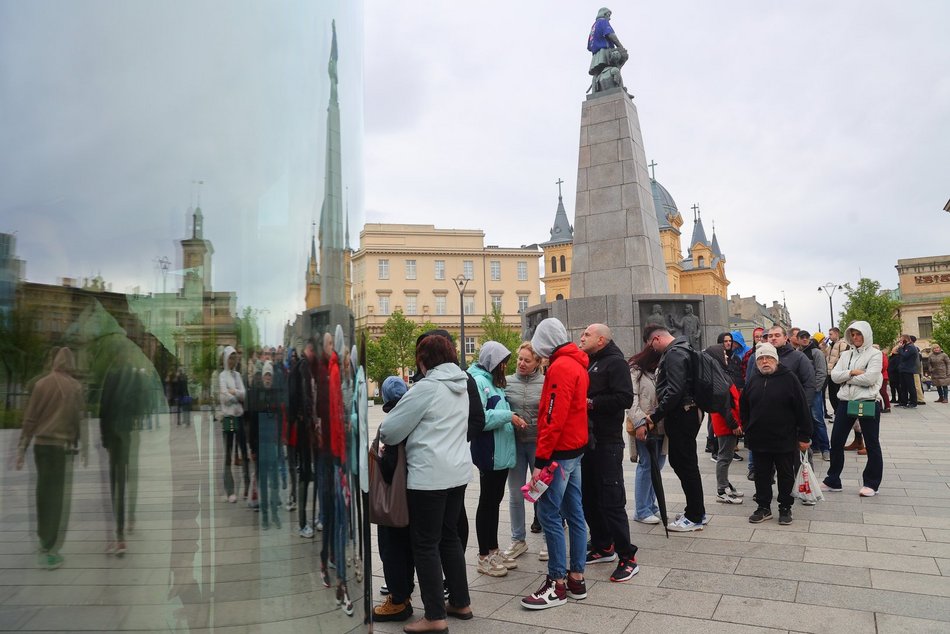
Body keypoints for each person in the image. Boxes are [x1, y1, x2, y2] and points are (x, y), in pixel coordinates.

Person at [380, 335, 473, 632]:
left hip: (429, 477)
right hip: (457, 474)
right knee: (449, 538)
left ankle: (434, 616)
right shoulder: (462, 385)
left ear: (423, 360)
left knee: (425, 544)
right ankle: (460, 601)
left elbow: (390, 430)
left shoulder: (427, 388)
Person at [521, 318, 589, 610]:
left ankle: (556, 583)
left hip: (560, 453)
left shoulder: (560, 368)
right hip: (575, 449)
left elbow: (552, 416)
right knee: (574, 513)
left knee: (549, 513)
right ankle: (576, 577)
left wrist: (540, 460)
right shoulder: (577, 363)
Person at [578, 323, 638, 582]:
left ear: (601, 339)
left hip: (608, 442)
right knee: (589, 497)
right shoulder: (590, 361)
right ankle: (603, 546)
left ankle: (628, 557)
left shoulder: (615, 363)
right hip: (588, 441)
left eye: (587, 334)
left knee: (611, 501)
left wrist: (591, 402)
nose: (582, 337)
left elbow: (625, 399)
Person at [16, 347, 85, 570]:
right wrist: (77, 441)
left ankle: (42, 538)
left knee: (42, 492)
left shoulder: (40, 384)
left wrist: (22, 447)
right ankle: (50, 547)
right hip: (59, 448)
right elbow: (76, 418)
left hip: (40, 447)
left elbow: (30, 418)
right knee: (56, 497)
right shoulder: (75, 387)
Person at [740, 342, 812, 524]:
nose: (765, 361)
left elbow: (802, 408)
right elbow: (744, 407)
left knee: (786, 475)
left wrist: (804, 436)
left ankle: (785, 507)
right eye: (761, 358)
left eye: (769, 358)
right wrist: (748, 429)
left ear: (776, 360)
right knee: (761, 475)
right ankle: (763, 507)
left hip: (785, 439)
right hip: (759, 439)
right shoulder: (753, 379)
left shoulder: (789, 378)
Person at [468, 341, 523, 577]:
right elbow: (481, 418)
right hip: (489, 452)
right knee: (487, 502)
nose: (506, 366)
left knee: (494, 500)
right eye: (502, 362)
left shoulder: (494, 383)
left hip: (500, 452)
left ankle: (493, 548)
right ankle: (483, 555)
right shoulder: (480, 382)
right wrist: (509, 416)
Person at [643, 325, 705, 532]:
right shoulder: (684, 348)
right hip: (687, 413)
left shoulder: (674, 354)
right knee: (685, 463)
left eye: (651, 345)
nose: (652, 350)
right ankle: (696, 511)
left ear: (656, 339)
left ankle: (695, 516)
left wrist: (655, 415)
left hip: (682, 414)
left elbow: (675, 390)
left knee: (685, 464)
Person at [822, 321, 884, 497]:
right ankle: (833, 479)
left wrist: (846, 377)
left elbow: (870, 379)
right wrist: (852, 373)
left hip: (867, 401)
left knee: (871, 443)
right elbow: (834, 376)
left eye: (859, 334)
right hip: (846, 401)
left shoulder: (875, 354)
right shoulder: (846, 354)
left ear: (866, 335)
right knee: (836, 440)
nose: (856, 337)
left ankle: (872, 483)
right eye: (853, 334)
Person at [373, 376, 415, 623]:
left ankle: (398, 600)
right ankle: (404, 591)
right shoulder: (416, 418)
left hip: (395, 498)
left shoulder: (391, 425)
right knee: (409, 546)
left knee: (392, 546)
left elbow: (388, 467)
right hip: (418, 493)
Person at [503, 342, 546, 562]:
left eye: (527, 360)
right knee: (516, 492)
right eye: (520, 359)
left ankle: (548, 539)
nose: (521, 363)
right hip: (516, 444)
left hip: (539, 443)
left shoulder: (546, 383)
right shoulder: (508, 382)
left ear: (538, 362)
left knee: (541, 492)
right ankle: (518, 539)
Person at [626, 343, 666, 525]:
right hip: (644, 425)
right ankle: (642, 509)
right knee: (646, 465)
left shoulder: (658, 370)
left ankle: (650, 505)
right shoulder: (635, 371)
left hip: (660, 426)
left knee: (657, 465)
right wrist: (640, 422)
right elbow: (632, 400)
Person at [705, 344, 744, 505]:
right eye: (723, 354)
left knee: (726, 456)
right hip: (726, 423)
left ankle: (726, 485)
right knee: (724, 457)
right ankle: (722, 491)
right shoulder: (717, 376)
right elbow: (723, 405)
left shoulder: (719, 373)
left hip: (728, 422)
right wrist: (734, 424)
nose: (727, 356)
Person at [797, 330, 830, 461]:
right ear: (798, 339)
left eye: (806, 337)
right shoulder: (797, 353)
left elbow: (822, 373)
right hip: (801, 393)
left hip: (814, 392)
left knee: (818, 420)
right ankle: (814, 446)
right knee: (806, 420)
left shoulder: (816, 353)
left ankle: (825, 449)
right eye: (802, 337)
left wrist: (815, 390)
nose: (804, 339)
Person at [219, 346, 246, 504]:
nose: (232, 360)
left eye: (234, 358)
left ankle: (247, 487)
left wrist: (234, 392)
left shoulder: (238, 375)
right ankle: (230, 490)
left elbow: (244, 394)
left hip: (239, 417)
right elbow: (224, 397)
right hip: (229, 418)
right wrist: (236, 395)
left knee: (243, 451)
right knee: (228, 454)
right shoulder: (222, 376)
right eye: (230, 357)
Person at [896, 334, 919, 408]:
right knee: (903, 387)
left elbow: (905, 355)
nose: (900, 341)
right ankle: (903, 402)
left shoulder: (911, 347)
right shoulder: (905, 347)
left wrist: (900, 348)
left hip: (908, 370)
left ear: (906, 339)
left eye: (901, 340)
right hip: (903, 369)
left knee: (910, 387)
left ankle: (913, 402)